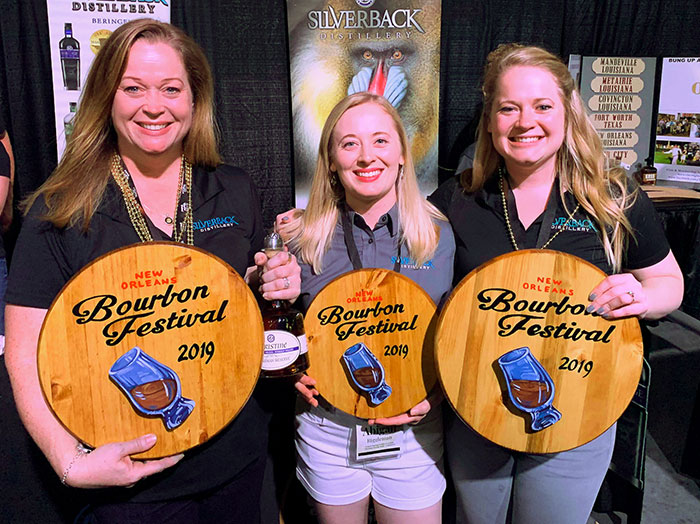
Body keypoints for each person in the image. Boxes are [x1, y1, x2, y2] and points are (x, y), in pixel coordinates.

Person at [4, 19, 300, 523]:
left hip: (238, 460)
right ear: (106, 97)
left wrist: (272, 282)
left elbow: (245, 294)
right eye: (133, 88)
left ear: (194, 99)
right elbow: (25, 352)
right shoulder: (60, 208)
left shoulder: (232, 187)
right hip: (129, 481)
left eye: (170, 88)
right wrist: (70, 462)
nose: (154, 106)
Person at [429, 43, 684, 524]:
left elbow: (670, 281)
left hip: (579, 412)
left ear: (568, 111)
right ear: (489, 120)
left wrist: (644, 297)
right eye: (508, 108)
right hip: (476, 412)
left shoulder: (613, 197)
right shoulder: (458, 198)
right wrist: (316, 223)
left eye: (542, 106)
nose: (526, 122)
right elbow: (396, 253)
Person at [281, 93, 455, 524]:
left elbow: (459, 332)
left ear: (401, 153)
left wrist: (438, 394)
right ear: (332, 161)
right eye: (349, 144)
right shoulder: (301, 239)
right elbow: (280, 331)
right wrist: (292, 368)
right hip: (329, 429)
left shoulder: (439, 234)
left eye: (380, 141)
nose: (365, 157)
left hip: (414, 432)